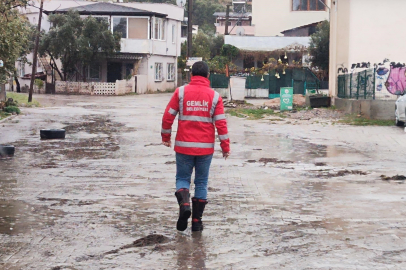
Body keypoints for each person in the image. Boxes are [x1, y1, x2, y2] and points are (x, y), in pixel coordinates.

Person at [161, 61, 230, 232]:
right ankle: (197, 222)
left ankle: (184, 204)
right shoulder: (215, 97)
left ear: (191, 75)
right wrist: (225, 146)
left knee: (182, 179)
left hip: (183, 147)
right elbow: (221, 124)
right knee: (201, 182)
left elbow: (168, 116)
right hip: (205, 149)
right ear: (208, 76)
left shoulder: (181, 92)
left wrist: (166, 136)